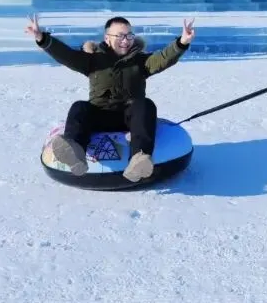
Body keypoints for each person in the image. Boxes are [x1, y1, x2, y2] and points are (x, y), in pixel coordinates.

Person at [25, 14, 196, 182]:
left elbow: (163, 58)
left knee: (145, 105)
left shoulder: (140, 60)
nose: (126, 40)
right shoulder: (93, 60)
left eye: (129, 35)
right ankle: (74, 153)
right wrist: (42, 38)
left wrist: (182, 43)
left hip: (130, 118)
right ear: (107, 38)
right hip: (99, 115)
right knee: (80, 107)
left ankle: (139, 160)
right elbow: (66, 55)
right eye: (120, 35)